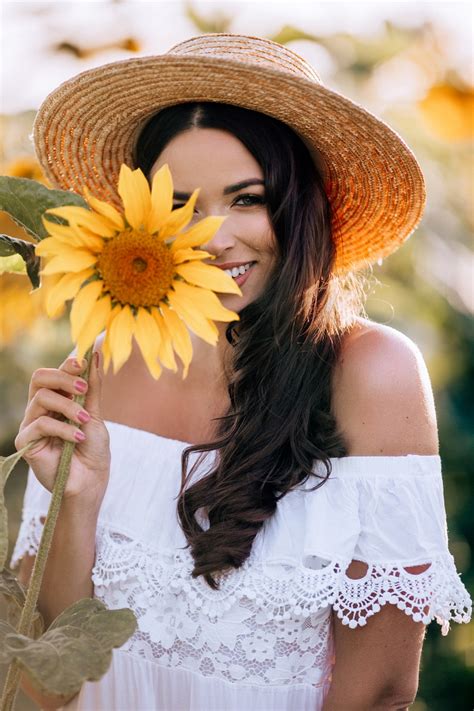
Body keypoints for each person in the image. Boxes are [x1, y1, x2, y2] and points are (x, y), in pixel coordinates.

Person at [10, 33, 472, 711]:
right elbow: (46, 686)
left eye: (247, 198)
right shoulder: (103, 359)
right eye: (179, 206)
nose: (213, 236)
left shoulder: (371, 374)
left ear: (301, 203)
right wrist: (75, 501)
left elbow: (379, 692)